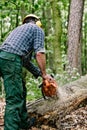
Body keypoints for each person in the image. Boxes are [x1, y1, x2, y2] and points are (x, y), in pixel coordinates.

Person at [0, 14, 54, 130]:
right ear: (37, 22)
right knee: (14, 98)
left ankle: (23, 123)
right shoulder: (37, 29)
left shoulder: (19, 31)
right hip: (11, 60)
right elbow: (39, 53)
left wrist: (41, 75)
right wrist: (44, 74)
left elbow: (26, 62)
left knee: (21, 90)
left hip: (4, 58)